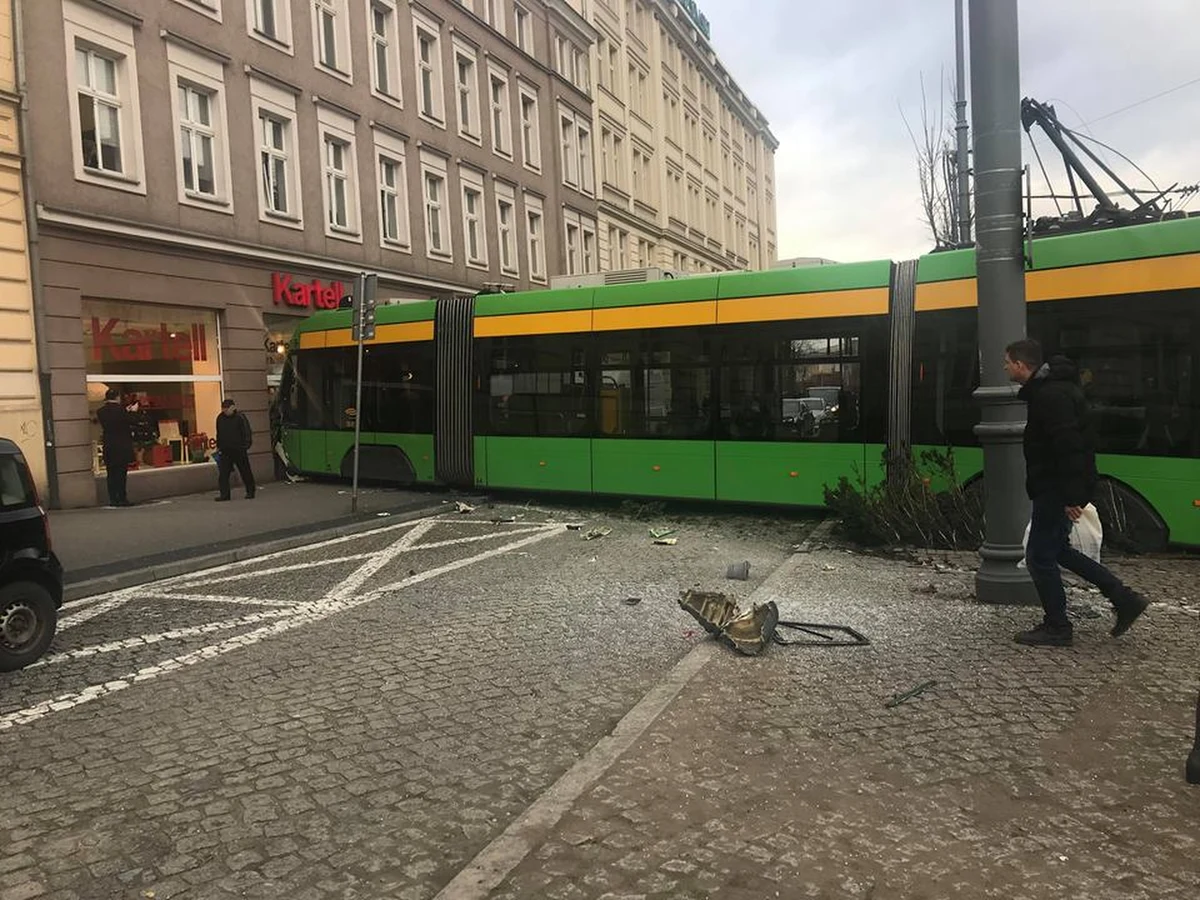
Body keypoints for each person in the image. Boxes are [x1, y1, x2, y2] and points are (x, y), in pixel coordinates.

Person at [1004, 339, 1148, 646]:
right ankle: (1124, 598)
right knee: (1058, 550)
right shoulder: (1053, 391)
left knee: (1039, 557)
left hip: (1053, 488)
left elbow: (1068, 447)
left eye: (1007, 362)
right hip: (1056, 486)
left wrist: (1071, 496)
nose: (1005, 368)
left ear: (1020, 364)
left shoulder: (1050, 396)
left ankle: (1057, 626)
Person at [96, 388, 134, 507]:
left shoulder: (100, 411)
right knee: (121, 474)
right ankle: (122, 498)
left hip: (109, 445)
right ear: (117, 397)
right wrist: (131, 412)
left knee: (111, 474)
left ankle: (113, 499)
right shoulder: (121, 410)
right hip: (122, 446)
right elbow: (129, 422)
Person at [215, 398, 256, 501]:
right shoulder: (220, 418)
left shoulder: (240, 417)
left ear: (233, 408)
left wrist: (245, 446)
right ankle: (225, 495)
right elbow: (219, 433)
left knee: (245, 471)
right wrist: (219, 446)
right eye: (223, 408)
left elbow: (247, 432)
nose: (224, 410)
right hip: (225, 450)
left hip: (239, 450)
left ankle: (250, 491)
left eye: (226, 408)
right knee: (223, 474)